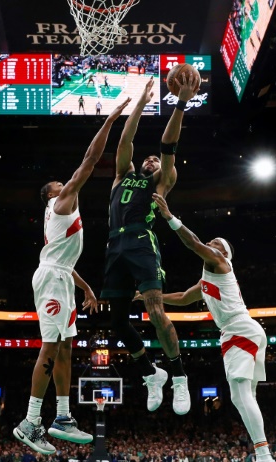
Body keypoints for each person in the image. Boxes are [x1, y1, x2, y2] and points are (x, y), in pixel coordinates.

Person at [14, 98, 131, 455]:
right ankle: (30, 422)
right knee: (51, 346)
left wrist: (88, 289)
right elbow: (90, 161)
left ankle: (62, 417)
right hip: (51, 280)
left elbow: (65, 263)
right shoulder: (61, 203)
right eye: (58, 184)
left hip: (61, 277)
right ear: (52, 196)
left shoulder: (62, 215)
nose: (65, 184)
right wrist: (111, 119)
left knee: (66, 346)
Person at [150, 192, 276, 462]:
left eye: (216, 244)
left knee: (239, 396)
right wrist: (152, 298)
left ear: (223, 253)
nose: (210, 245)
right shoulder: (207, 278)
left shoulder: (220, 263)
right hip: (241, 332)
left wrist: (169, 216)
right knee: (242, 398)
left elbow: (193, 243)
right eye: (210, 243)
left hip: (239, 331)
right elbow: (184, 297)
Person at [99, 75, 197, 416]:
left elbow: (168, 145)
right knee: (116, 324)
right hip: (115, 245)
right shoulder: (121, 175)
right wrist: (141, 102)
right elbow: (126, 139)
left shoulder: (164, 181)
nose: (152, 160)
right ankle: (151, 374)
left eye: (156, 160)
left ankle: (179, 377)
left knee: (156, 311)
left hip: (142, 241)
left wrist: (180, 104)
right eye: (149, 159)